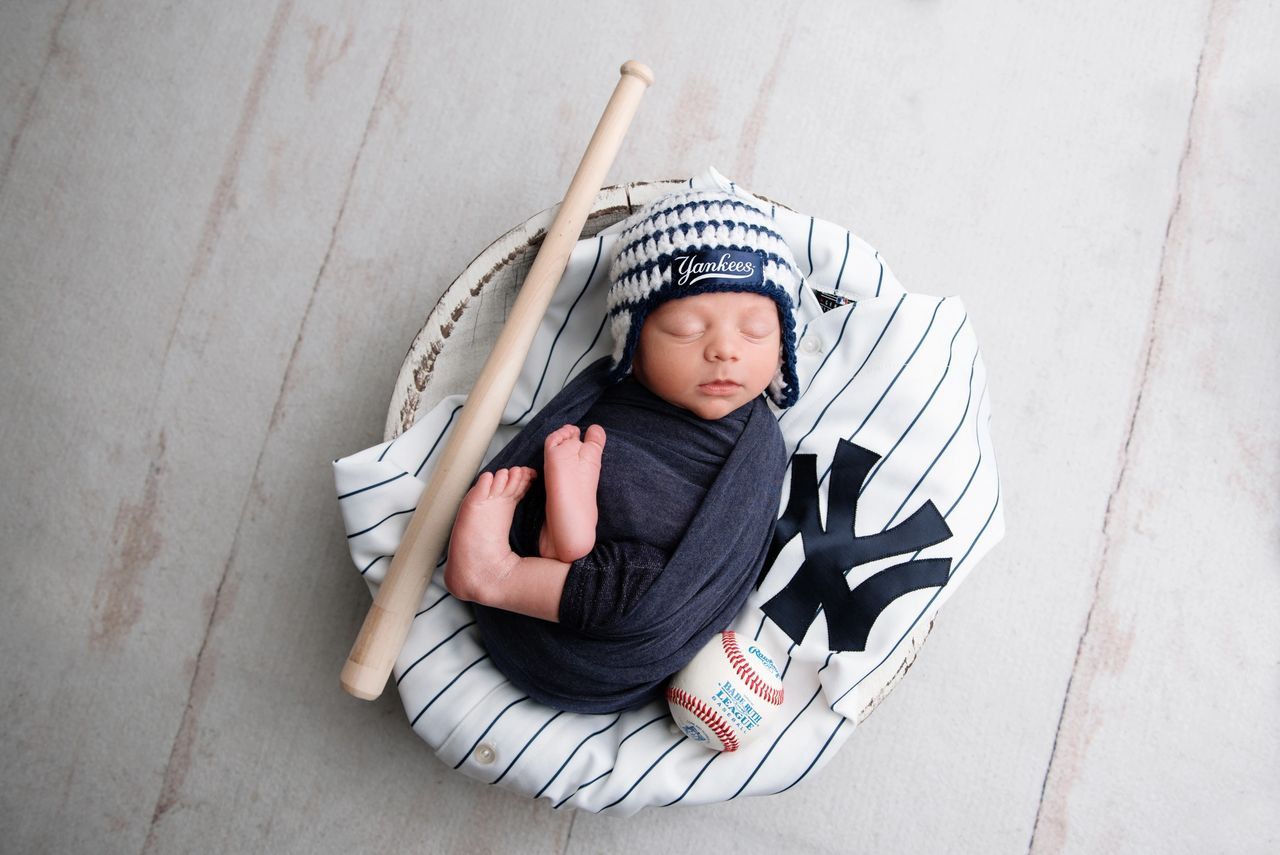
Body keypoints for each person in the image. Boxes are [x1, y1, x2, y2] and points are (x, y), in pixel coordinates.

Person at [443, 190, 802, 713]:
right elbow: (538, 444)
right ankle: (553, 541)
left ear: (782, 347)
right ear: (633, 340)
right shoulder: (607, 396)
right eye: (685, 328)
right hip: (581, 521)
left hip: (627, 609)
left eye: (755, 331)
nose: (725, 349)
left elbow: (722, 562)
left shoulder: (759, 445)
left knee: (640, 589)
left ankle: (503, 574)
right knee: (554, 469)